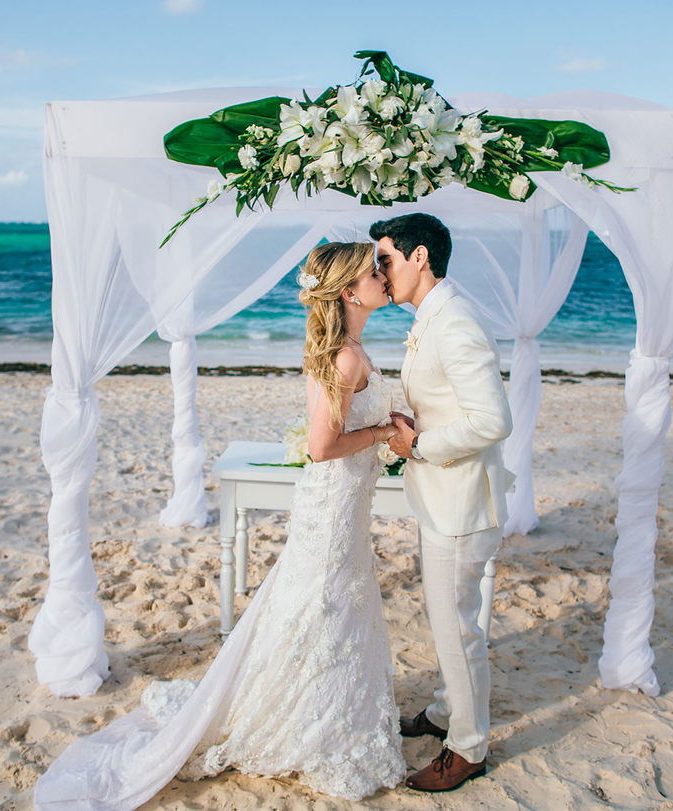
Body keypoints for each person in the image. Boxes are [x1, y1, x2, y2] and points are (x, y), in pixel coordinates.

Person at [34, 243, 405, 809]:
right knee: (323, 603)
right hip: (331, 504)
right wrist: (383, 435)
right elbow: (321, 445)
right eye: (372, 272)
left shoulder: (353, 350)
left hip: (342, 504)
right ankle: (305, 716)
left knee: (325, 605)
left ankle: (320, 704)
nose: (383, 278)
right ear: (350, 292)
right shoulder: (345, 359)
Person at [372, 213, 513, 792]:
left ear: (419, 257)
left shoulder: (453, 321)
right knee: (445, 619)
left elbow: (493, 420)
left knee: (457, 630)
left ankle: (469, 747)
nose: (379, 272)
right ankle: (442, 712)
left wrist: (420, 444)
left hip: (459, 503)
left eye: (385, 259)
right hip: (442, 496)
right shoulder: (432, 314)